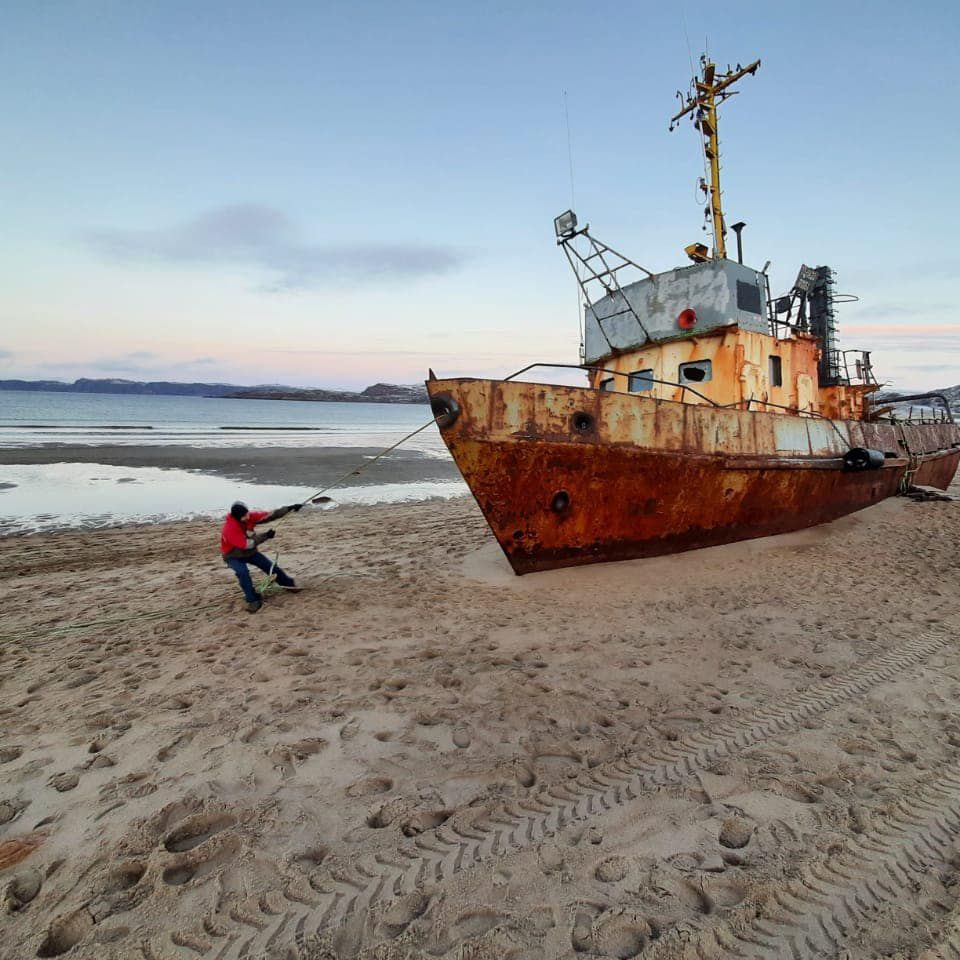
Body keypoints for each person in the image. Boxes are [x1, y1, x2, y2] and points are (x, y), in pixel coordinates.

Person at [220, 501, 303, 612]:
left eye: (247, 514)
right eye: (245, 516)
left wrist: (289, 508)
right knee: (243, 573)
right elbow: (246, 544)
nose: (248, 517)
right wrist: (266, 536)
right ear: (237, 517)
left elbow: (269, 515)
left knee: (271, 567)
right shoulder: (229, 529)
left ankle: (289, 584)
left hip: (250, 552)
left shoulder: (248, 517)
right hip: (233, 555)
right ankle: (252, 600)